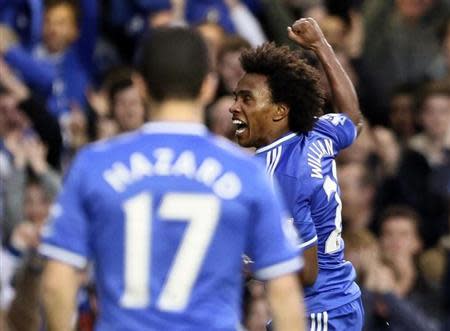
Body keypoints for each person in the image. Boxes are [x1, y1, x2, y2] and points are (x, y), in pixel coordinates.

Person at [39, 27, 306, 331]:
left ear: (140, 86)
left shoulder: (94, 163)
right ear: (208, 86)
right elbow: (284, 292)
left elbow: (56, 283)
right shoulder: (247, 172)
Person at [230, 17, 364, 329]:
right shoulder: (316, 132)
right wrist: (321, 47)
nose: (234, 107)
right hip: (338, 302)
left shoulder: (278, 175)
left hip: (314, 313)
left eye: (246, 99)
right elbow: (352, 118)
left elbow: (304, 271)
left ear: (279, 110)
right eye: (236, 97)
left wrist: (238, 259)